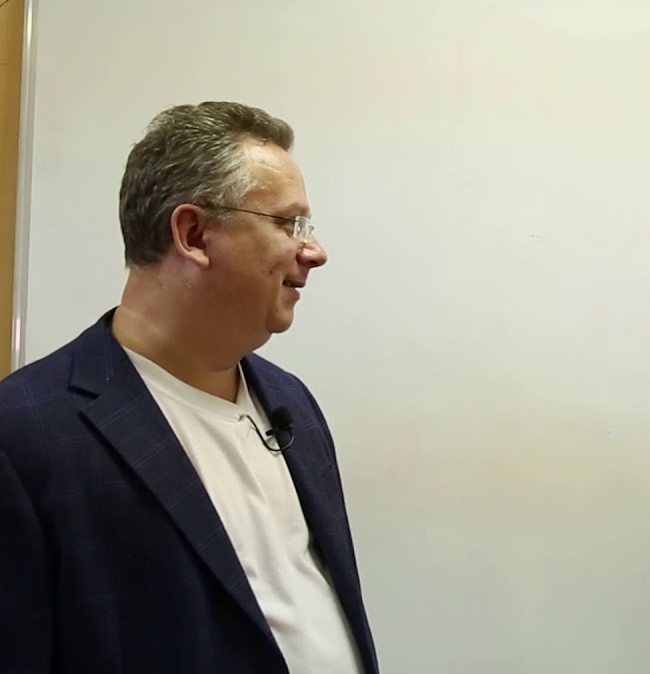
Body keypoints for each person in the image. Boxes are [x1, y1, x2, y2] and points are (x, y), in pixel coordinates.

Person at [0, 101, 378, 673]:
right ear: (194, 233)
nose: (315, 252)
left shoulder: (292, 402)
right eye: (288, 224)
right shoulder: (24, 436)